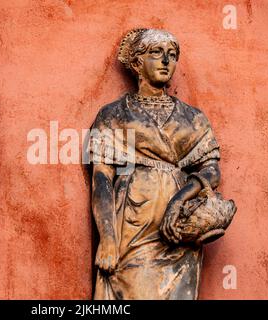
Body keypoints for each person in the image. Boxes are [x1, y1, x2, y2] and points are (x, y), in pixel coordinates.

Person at [91, 29, 221, 300]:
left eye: (172, 55)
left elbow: (211, 169)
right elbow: (101, 177)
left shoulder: (192, 117)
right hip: (133, 225)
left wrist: (178, 202)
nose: (166, 61)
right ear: (137, 63)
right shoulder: (113, 114)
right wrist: (107, 238)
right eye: (156, 53)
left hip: (179, 232)